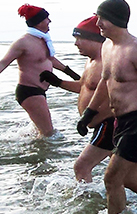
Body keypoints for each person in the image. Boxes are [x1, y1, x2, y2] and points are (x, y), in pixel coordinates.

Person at [79, 0, 137, 214]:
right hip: (120, 121)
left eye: (102, 19)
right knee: (130, 178)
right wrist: (89, 114)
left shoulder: (136, 48)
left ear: (115, 20)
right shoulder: (107, 46)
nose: (98, 23)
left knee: (111, 178)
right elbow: (105, 81)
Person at [41, 16, 112, 182]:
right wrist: (58, 82)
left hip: (109, 124)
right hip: (100, 126)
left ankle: (85, 202)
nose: (76, 43)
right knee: (125, 174)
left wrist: (91, 115)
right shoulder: (90, 61)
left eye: (80, 39)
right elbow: (84, 87)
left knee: (81, 167)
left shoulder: (107, 62)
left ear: (95, 40)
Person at [0, 4, 81, 137]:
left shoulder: (43, 40)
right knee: (49, 133)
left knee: (41, 131)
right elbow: (3, 62)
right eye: (46, 18)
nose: (50, 21)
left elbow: (50, 59)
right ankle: (38, 155)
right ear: (38, 22)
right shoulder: (22, 42)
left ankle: (25, 144)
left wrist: (72, 74)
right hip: (29, 91)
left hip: (40, 91)